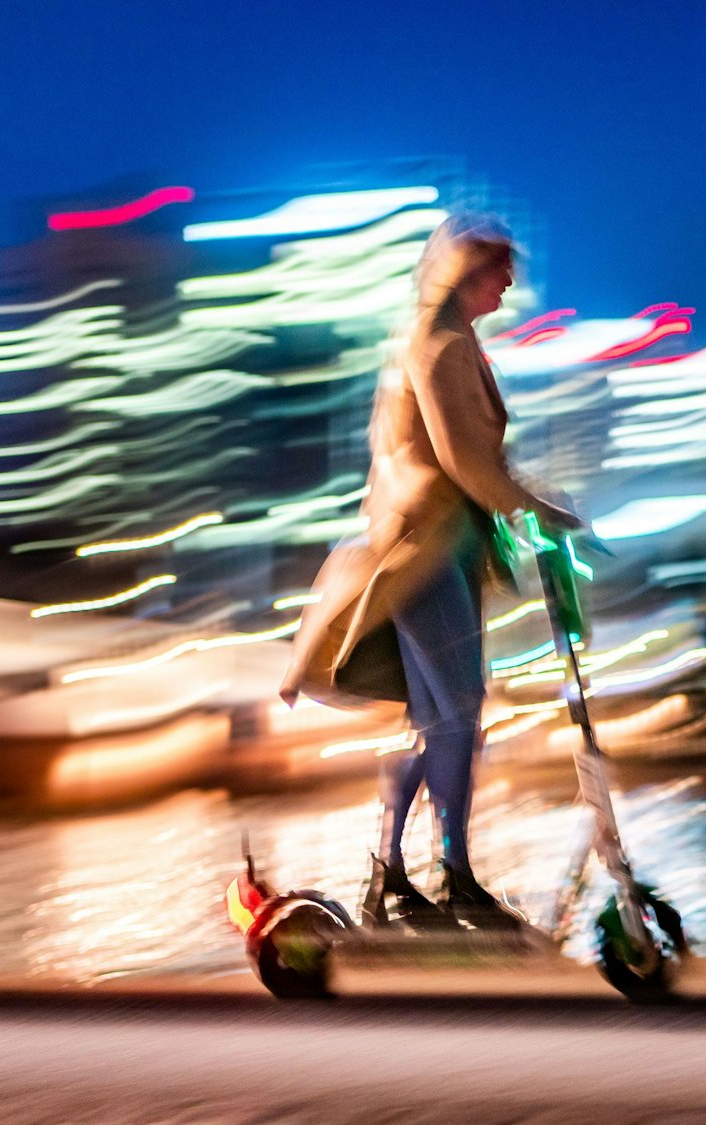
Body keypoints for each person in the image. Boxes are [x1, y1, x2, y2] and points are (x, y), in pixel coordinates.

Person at [281, 216, 584, 927]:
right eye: (498, 268)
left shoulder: (453, 344)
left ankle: (391, 871)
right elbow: (461, 460)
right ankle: (452, 873)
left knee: (438, 723)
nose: (509, 281)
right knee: (457, 716)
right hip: (427, 548)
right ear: (463, 272)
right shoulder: (439, 344)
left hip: (445, 545)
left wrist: (536, 502)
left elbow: (481, 459)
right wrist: (537, 512)